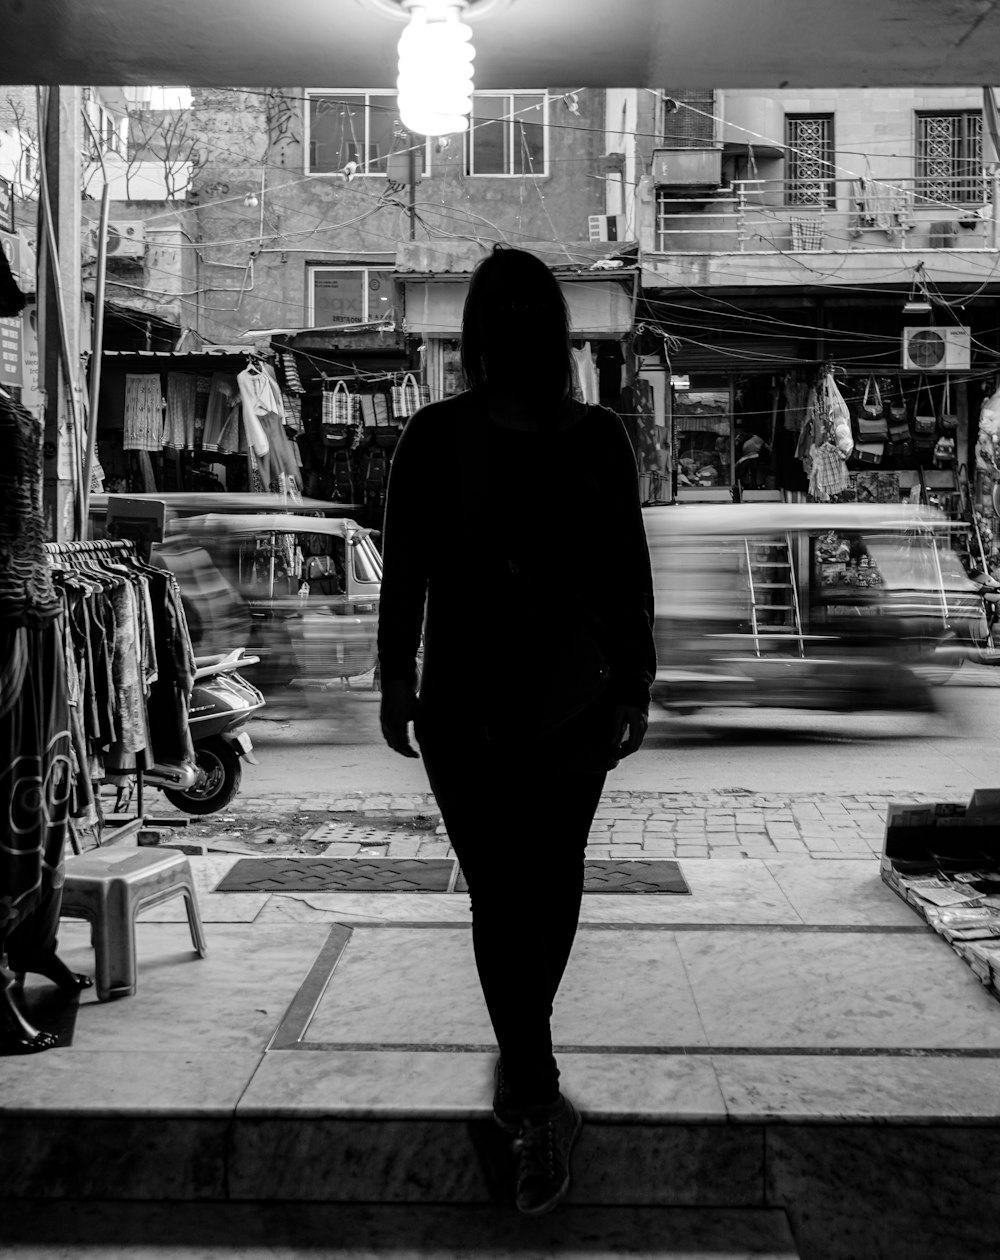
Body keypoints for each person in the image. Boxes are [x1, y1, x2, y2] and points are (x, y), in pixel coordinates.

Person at [377, 245, 655, 1216]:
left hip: (575, 704)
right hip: (462, 710)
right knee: (501, 893)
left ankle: (522, 1058)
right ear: (474, 334)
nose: (503, 330)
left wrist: (637, 683)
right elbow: (403, 569)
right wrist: (390, 680)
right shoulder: (432, 437)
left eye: (518, 313)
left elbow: (626, 570)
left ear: (548, 327)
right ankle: (536, 1096)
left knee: (553, 882)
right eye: (488, 315)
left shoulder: (599, 439)